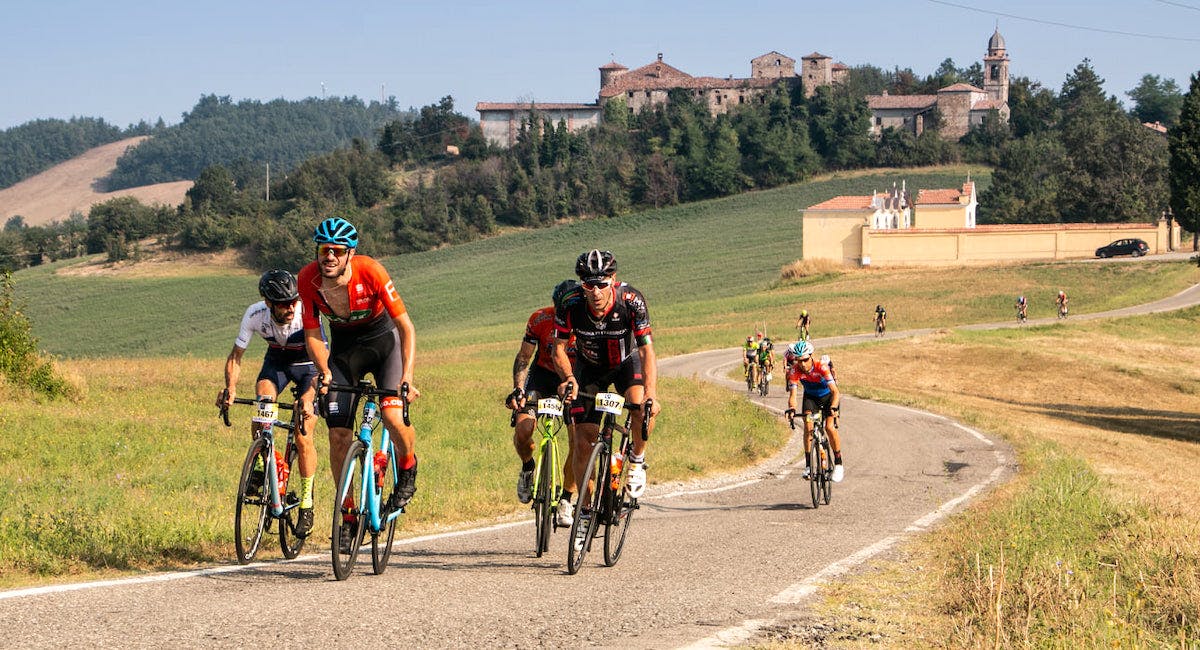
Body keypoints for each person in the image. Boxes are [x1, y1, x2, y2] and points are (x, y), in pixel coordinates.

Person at [297, 217, 421, 549]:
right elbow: (312, 334)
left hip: (385, 343)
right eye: (324, 250)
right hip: (344, 350)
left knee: (393, 417)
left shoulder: (371, 271)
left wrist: (407, 376)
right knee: (338, 435)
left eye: (337, 251)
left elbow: (406, 328)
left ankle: (408, 466)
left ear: (350, 254)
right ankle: (348, 515)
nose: (330, 257)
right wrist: (323, 371)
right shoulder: (307, 280)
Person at [552, 250, 660, 543]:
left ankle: (636, 461)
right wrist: (570, 378)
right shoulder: (570, 304)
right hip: (589, 369)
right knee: (582, 443)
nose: (596, 291)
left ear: (613, 280)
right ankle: (585, 512)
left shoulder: (631, 301)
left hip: (626, 364)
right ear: (581, 284)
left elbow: (647, 350)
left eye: (601, 283)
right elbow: (558, 348)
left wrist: (652, 394)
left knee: (639, 407)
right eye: (589, 284)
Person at [217, 270, 320, 537]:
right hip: (277, 364)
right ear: (268, 303)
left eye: (293, 300)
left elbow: (322, 364)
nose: (290, 307)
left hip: (310, 367)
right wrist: (230, 387)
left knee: (303, 433)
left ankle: (307, 503)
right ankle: (264, 463)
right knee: (263, 402)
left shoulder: (305, 311)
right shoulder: (254, 314)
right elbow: (236, 356)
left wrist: (308, 398)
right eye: (283, 303)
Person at [506, 280, 579, 527]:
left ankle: (567, 498)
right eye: (558, 309)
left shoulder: (587, 324)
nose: (563, 315)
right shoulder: (539, 320)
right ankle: (528, 468)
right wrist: (518, 388)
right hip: (542, 376)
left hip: (574, 378)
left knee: (578, 440)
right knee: (523, 429)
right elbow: (524, 357)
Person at [783, 340, 844, 482]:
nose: (802, 364)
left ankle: (839, 463)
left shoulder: (821, 367)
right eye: (799, 360)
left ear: (811, 356)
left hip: (828, 397)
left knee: (829, 427)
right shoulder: (794, 370)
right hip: (811, 398)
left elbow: (835, 392)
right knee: (808, 426)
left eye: (805, 360)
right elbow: (793, 395)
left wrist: (834, 408)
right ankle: (809, 466)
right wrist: (792, 409)